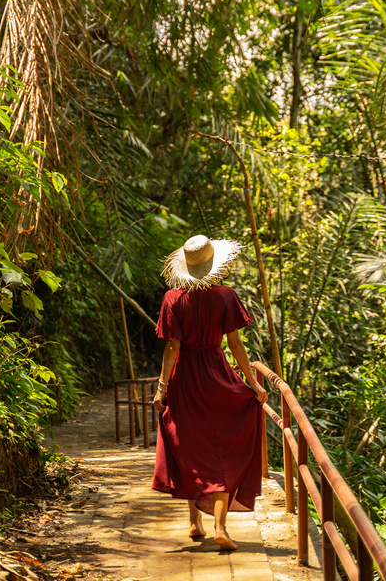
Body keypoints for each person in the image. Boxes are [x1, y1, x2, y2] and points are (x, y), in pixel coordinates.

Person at [151, 234, 268, 551]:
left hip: (184, 380)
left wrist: (162, 388)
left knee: (190, 447)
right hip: (217, 375)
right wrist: (253, 384)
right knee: (221, 451)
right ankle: (220, 526)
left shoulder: (173, 298)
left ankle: (194, 523)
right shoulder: (226, 296)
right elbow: (235, 344)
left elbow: (172, 347)